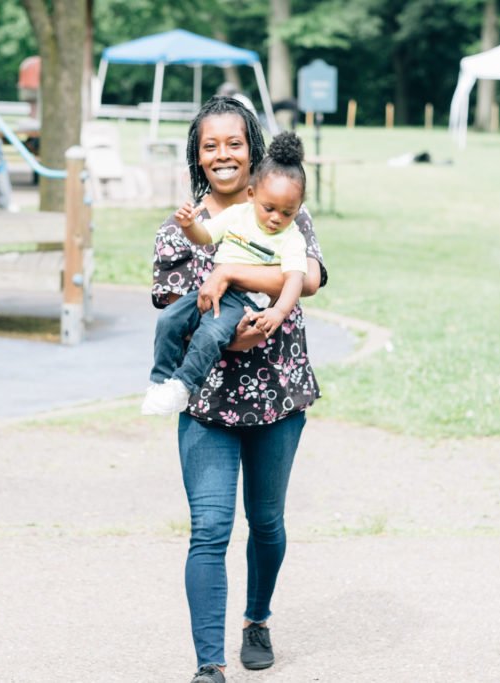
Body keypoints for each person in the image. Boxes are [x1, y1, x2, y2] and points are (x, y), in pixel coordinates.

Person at [151, 96, 326, 683]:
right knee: (209, 527)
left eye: (234, 143)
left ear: (252, 148)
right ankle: (209, 665)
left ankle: (256, 619)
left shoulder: (283, 206)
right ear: (197, 157)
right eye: (210, 145)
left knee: (268, 521)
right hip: (206, 403)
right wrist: (233, 331)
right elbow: (176, 308)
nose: (223, 154)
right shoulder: (179, 232)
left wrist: (229, 274)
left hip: (278, 396)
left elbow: (313, 277)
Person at [142, 131, 309, 416]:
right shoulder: (238, 215)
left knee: (210, 334)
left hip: (244, 301)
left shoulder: (292, 237)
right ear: (252, 194)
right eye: (269, 208)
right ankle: (160, 382)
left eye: (287, 212)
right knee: (169, 319)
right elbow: (205, 236)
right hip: (210, 292)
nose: (275, 218)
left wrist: (278, 312)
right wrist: (188, 225)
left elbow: (296, 278)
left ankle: (182, 386)